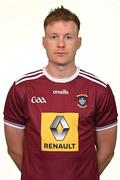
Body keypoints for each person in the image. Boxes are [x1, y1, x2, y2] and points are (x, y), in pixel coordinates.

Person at [3, 5, 118, 180]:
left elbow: (107, 151)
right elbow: (14, 150)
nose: (61, 44)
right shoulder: (21, 88)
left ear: (79, 42)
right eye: (54, 37)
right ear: (44, 41)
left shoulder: (99, 90)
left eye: (69, 37)